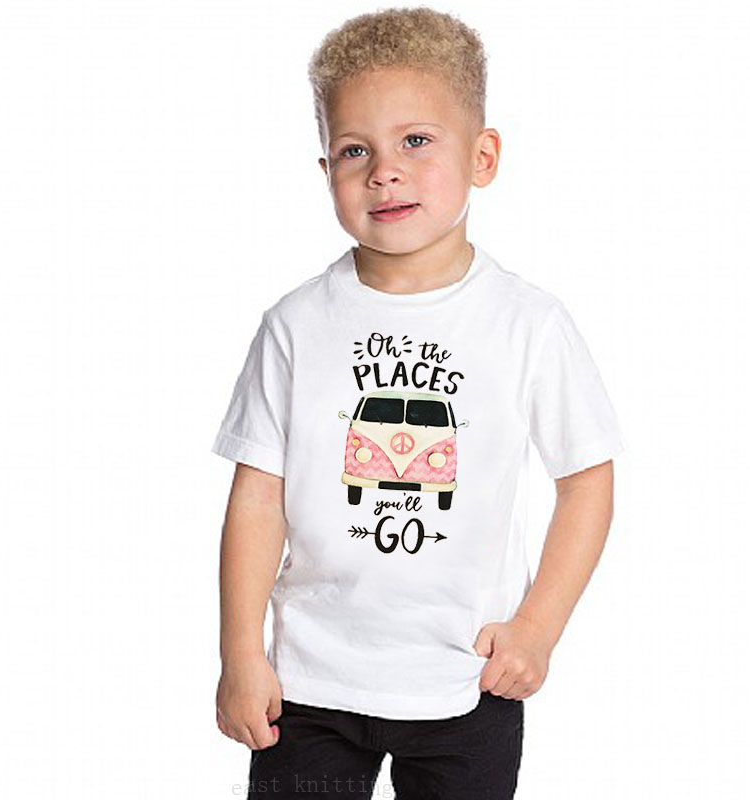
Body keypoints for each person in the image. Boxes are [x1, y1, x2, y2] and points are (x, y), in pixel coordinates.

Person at [211, 7, 625, 799]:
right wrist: (240, 653)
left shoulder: (527, 323)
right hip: (311, 680)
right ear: (325, 168)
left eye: (416, 141)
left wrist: (538, 628)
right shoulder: (295, 324)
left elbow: (587, 481)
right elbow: (257, 497)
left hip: (469, 675)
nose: (384, 171)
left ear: (482, 156)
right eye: (354, 150)